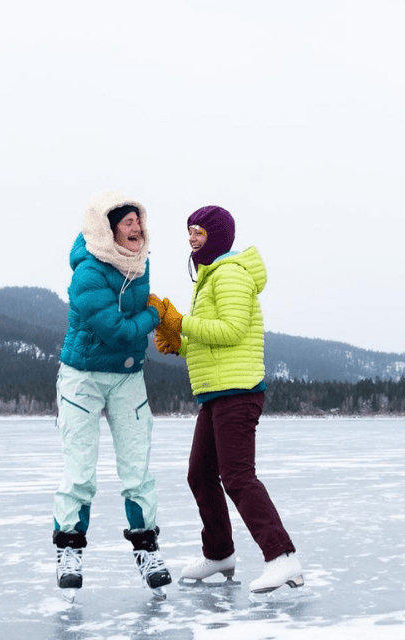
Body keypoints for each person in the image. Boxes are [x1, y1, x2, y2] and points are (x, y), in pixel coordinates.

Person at [152, 205, 303, 595]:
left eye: (198, 231)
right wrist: (178, 344)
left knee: (237, 477)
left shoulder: (231, 273)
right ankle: (219, 553)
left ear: (216, 235)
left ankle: (283, 558)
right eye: (188, 231)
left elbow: (232, 331)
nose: (191, 237)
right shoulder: (209, 277)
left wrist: (181, 322)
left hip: (238, 393)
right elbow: (211, 341)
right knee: (200, 475)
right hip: (217, 392)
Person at [52, 189, 171, 599]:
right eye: (127, 222)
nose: (137, 228)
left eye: (138, 220)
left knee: (138, 470)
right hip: (82, 377)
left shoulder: (141, 263)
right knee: (80, 471)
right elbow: (116, 330)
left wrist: (149, 315)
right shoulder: (86, 272)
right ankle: (68, 549)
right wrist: (155, 315)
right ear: (108, 231)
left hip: (127, 377)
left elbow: (127, 329)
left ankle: (147, 549)